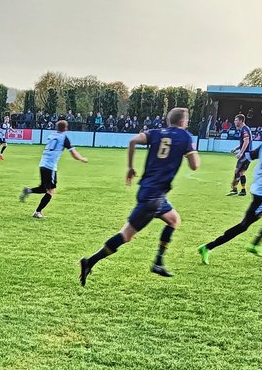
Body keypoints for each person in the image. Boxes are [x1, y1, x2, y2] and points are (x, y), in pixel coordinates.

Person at [80, 106, 199, 283]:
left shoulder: (155, 133)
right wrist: (192, 152)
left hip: (151, 192)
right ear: (183, 122)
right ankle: (90, 261)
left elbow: (133, 141)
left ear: (168, 120)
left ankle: (158, 261)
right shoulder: (185, 137)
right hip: (154, 198)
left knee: (174, 220)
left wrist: (130, 167)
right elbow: (195, 165)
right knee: (126, 235)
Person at [199, 119, 262, 262]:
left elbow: (249, 156)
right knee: (244, 225)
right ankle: (208, 247)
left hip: (261, 188)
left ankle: (256, 244)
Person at [19, 120, 88, 218]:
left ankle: (28, 191)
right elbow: (74, 154)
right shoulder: (64, 138)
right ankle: (37, 212)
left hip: (42, 164)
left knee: (44, 188)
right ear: (66, 128)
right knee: (50, 191)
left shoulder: (51, 136)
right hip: (50, 167)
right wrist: (82, 159)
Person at [228, 114, 253, 196]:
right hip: (248, 154)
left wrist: (241, 152)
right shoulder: (244, 129)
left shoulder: (244, 130)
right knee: (242, 172)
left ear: (241, 121)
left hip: (245, 155)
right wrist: (236, 148)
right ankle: (243, 190)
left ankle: (234, 189)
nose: (235, 122)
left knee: (237, 171)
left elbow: (246, 141)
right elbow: (243, 143)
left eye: (236, 120)